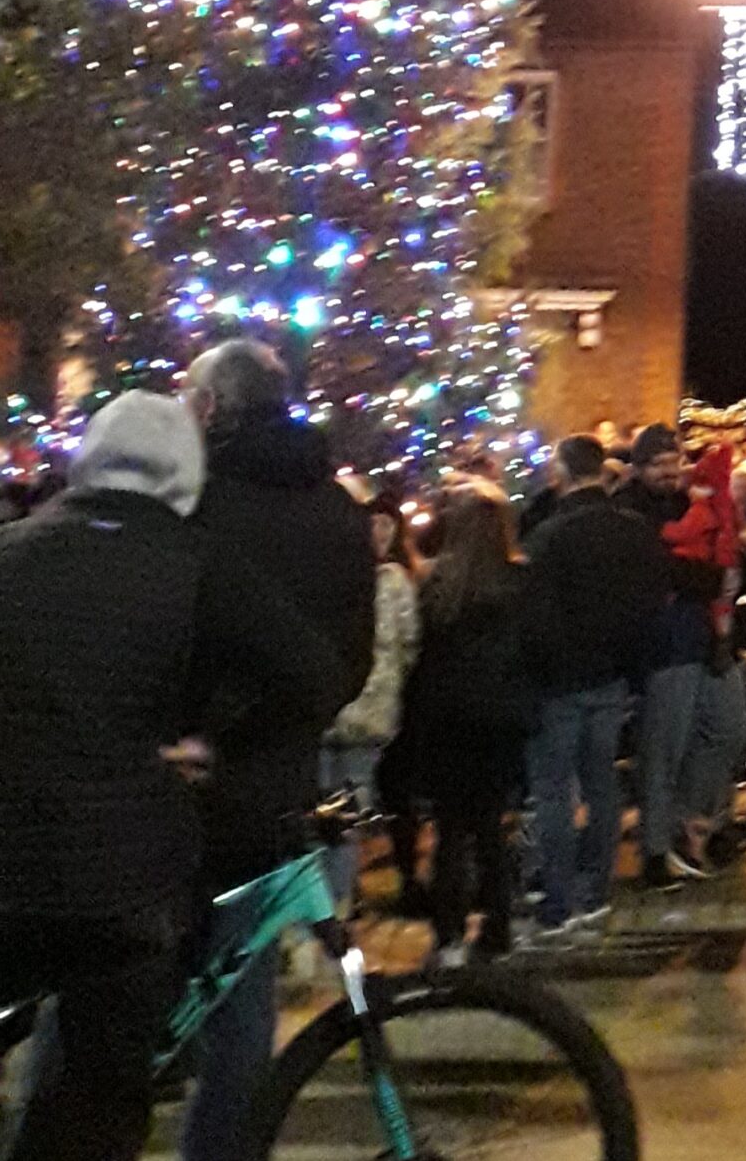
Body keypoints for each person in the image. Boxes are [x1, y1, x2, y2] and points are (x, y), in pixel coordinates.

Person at [0, 396, 339, 1161]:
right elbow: (312, 675)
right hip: (117, 883)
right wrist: (216, 743)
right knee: (99, 1098)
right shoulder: (194, 563)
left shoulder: (11, 550)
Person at [180, 339, 375, 1161]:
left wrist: (201, 730)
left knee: (104, 978)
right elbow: (350, 660)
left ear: (213, 408)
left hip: (181, 775)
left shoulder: (199, 498)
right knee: (242, 993)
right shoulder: (338, 510)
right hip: (278, 777)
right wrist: (284, 723)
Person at [522, 431, 669, 930]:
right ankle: (596, 888)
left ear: (561, 472)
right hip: (612, 679)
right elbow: (651, 604)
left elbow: (535, 617)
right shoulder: (633, 530)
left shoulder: (549, 536)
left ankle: (558, 898)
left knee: (553, 791)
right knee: (602, 783)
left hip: (559, 683)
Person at [403, 485, 536, 963]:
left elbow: (424, 656)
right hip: (498, 722)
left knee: (450, 833)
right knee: (490, 828)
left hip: (445, 721)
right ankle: (498, 928)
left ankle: (448, 935)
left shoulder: (439, 586)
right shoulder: (519, 583)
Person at [623, 422, 738, 887]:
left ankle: (686, 820)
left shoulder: (690, 500)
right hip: (667, 644)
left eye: (674, 460)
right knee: (662, 749)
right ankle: (655, 851)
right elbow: (660, 570)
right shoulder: (633, 509)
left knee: (730, 730)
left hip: (706, 636)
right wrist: (710, 578)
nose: (670, 471)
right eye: (658, 463)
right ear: (640, 467)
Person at [318, 492, 422, 908]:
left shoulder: (321, 575)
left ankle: (314, 908)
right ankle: (339, 902)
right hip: (372, 706)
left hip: (325, 707)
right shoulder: (392, 580)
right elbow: (410, 640)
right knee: (350, 809)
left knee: (315, 810)